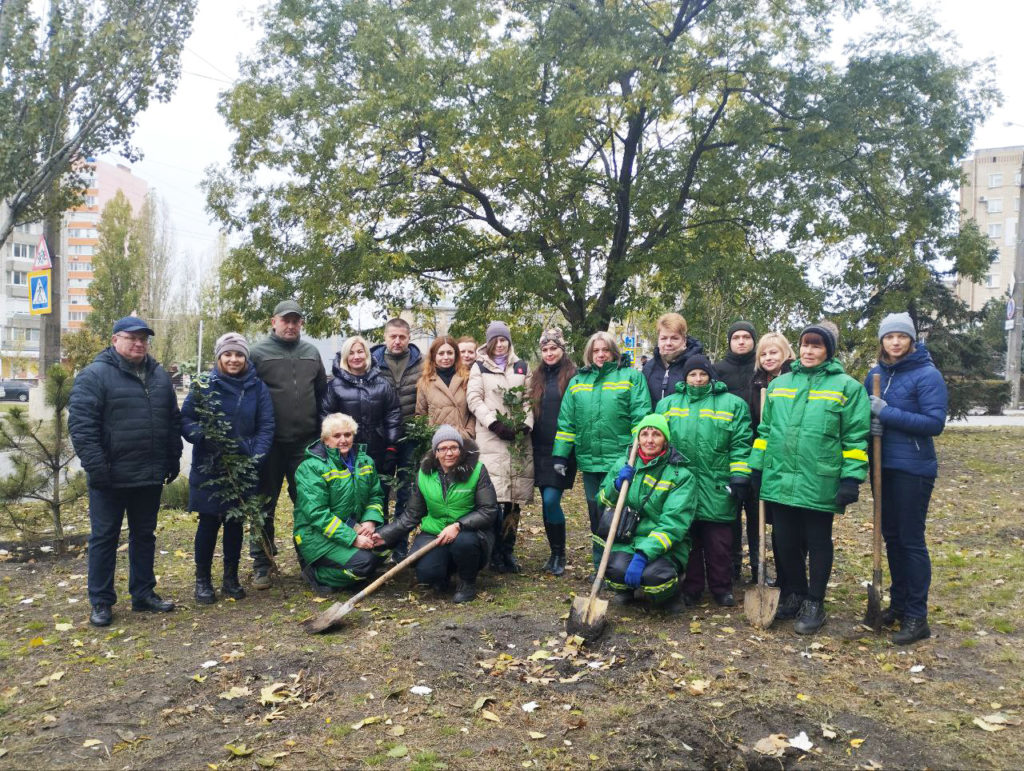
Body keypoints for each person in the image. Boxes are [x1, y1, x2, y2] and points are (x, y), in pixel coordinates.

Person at [748, 323, 870, 634]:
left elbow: (855, 438)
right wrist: (757, 467)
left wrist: (851, 479)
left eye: (816, 346)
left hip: (820, 478)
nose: (809, 351)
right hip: (780, 476)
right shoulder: (779, 386)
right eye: (805, 345)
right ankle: (795, 593)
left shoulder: (847, 387)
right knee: (786, 542)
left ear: (828, 350)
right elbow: (765, 432)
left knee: (817, 542)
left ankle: (815, 602)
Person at [69, 316, 183, 627]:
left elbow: (172, 421)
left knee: (144, 536)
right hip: (110, 476)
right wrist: (97, 468)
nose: (138, 343)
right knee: (104, 538)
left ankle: (143, 593)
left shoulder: (159, 376)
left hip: (148, 474)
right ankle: (101, 601)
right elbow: (82, 428)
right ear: (115, 339)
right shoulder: (95, 375)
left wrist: (173, 457)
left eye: (143, 338)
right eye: (131, 337)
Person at [866, 312, 947, 645]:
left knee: (911, 541)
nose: (895, 342)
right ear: (882, 341)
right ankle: (898, 606)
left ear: (911, 340)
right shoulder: (875, 374)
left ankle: (917, 615)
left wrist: (886, 413)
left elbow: (933, 423)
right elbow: (862, 413)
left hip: (913, 468)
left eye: (901, 337)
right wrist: (866, 423)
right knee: (893, 538)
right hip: (882, 467)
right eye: (889, 337)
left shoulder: (927, 375)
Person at [181, 333, 275, 604]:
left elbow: (266, 425)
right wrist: (202, 436)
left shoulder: (257, 388)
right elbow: (187, 418)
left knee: (235, 523)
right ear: (219, 357)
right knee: (209, 522)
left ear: (246, 358)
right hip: (210, 465)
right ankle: (203, 582)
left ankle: (230, 578)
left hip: (243, 467)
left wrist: (254, 454)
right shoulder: (203, 385)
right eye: (228, 354)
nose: (233, 359)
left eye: (239, 355)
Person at [656, 355, 752, 606]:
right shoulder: (668, 405)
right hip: (682, 483)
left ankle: (722, 587)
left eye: (702, 374)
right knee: (689, 540)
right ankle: (692, 587)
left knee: (719, 542)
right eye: (692, 375)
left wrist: (740, 475)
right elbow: (658, 439)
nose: (697, 379)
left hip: (717, 482)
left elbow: (740, 443)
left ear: (710, 376)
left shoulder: (732, 404)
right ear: (684, 377)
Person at [552, 331, 651, 572]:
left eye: (605, 350)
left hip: (620, 461)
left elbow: (641, 417)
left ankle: (620, 564)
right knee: (596, 513)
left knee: (623, 513)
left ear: (613, 352)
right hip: (590, 462)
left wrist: (635, 453)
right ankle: (600, 566)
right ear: (589, 354)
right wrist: (560, 454)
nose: (600, 355)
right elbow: (567, 422)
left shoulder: (630, 378)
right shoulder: (578, 383)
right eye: (596, 351)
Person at [249, 299, 328, 589]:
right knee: (264, 504)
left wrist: (322, 433)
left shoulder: (311, 352)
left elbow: (322, 394)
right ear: (274, 322)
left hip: (304, 445)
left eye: (296, 320)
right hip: (269, 444)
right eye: (286, 320)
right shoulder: (257, 353)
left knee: (308, 503)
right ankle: (262, 562)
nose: (291, 325)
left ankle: (309, 558)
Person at [374, 425, 499, 602]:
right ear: (435, 452)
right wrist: (384, 536)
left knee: (463, 543)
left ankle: (467, 582)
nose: (449, 453)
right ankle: (444, 574)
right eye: (443, 449)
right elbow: (412, 514)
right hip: (436, 533)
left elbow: (489, 510)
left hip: (471, 533)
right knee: (427, 573)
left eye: (454, 447)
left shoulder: (477, 471)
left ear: (460, 449)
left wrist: (458, 525)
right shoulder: (424, 475)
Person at [599, 413, 697, 611]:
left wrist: (643, 555)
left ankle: (669, 595)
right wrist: (616, 485)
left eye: (656, 434)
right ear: (638, 439)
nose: (649, 440)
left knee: (654, 577)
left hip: (665, 546)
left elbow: (673, 523)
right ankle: (627, 591)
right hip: (629, 539)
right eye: (644, 434)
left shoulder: (681, 475)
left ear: (665, 440)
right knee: (614, 569)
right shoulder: (625, 464)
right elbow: (602, 500)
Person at [466, 321, 534, 573]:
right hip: (492, 437)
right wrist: (493, 423)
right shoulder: (479, 366)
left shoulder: (522, 366)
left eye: (504, 339)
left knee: (514, 500)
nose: (501, 344)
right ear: (490, 342)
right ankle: (492, 552)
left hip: (517, 440)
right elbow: (474, 399)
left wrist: (526, 423)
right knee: (492, 498)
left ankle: (508, 551)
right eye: (496, 340)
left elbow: (529, 398)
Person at [293, 413, 386, 592]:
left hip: (353, 526)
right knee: (365, 564)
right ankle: (316, 574)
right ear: (326, 439)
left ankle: (352, 570)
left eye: (348, 434)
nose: (343, 440)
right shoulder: (311, 467)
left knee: (386, 543)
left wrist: (370, 522)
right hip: (316, 535)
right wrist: (353, 539)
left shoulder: (365, 461)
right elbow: (318, 515)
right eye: (337, 436)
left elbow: (375, 496)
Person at [370, 318, 423, 561]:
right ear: (385, 337)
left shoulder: (422, 364)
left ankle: (399, 547)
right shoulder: (372, 363)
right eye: (393, 336)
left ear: (409, 337)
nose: (397, 341)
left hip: (411, 437)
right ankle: (378, 546)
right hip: (380, 438)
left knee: (407, 491)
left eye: (402, 336)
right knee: (378, 491)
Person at [528, 328, 578, 576]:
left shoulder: (573, 376)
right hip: (539, 447)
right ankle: (553, 553)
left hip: (562, 448)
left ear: (562, 349)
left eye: (553, 348)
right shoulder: (536, 377)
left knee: (551, 500)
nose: (549, 353)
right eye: (545, 349)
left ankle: (560, 553)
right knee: (546, 504)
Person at [750, 332, 796, 588]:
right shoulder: (757, 382)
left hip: (789, 459)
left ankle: (792, 580)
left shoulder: (795, 379)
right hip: (765, 455)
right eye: (764, 354)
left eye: (774, 352)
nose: (768, 358)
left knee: (792, 527)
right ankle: (781, 579)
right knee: (775, 524)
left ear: (787, 354)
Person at [714, 321, 759, 582]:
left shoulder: (761, 369)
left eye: (746, 337)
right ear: (729, 342)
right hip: (726, 451)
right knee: (729, 513)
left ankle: (757, 564)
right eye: (736, 337)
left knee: (755, 514)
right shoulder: (719, 370)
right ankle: (732, 565)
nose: (741, 341)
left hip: (758, 449)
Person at [320, 335, 402, 478]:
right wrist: (331, 448)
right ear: (345, 357)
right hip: (345, 452)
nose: (356, 356)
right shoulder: (334, 386)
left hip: (378, 450)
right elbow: (325, 418)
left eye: (360, 351)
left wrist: (392, 447)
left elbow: (393, 416)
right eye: (351, 353)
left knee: (377, 495)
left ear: (367, 354)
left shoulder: (383, 384)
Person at [416, 335, 475, 439]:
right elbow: (421, 415)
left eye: (450, 353)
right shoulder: (425, 382)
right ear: (434, 356)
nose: (446, 357)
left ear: (456, 355)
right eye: (441, 353)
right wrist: (431, 435)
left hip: (464, 440)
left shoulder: (468, 378)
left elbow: (474, 411)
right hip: (439, 443)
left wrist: (468, 433)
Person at [641, 312, 705, 405]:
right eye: (663, 338)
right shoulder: (648, 368)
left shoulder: (699, 366)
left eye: (674, 338)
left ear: (684, 340)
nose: (668, 343)